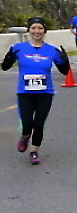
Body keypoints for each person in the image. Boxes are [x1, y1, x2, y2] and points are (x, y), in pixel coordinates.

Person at [1, 17, 71, 165]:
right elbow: (5, 67)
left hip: (45, 93)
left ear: (45, 31)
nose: (37, 31)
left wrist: (65, 61)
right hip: (24, 93)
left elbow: (65, 72)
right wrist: (9, 57)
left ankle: (34, 151)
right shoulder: (18, 48)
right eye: (33, 28)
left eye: (40, 28)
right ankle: (25, 136)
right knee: (27, 123)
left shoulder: (52, 50)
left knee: (39, 124)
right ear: (28, 30)